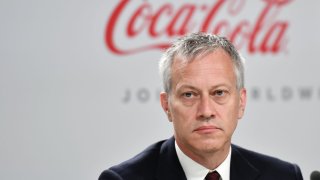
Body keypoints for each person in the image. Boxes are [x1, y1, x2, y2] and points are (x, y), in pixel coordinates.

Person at [99, 32, 303, 180]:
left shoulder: (284, 176)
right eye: (189, 95)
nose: (206, 111)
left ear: (241, 102)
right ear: (166, 106)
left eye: (219, 93)